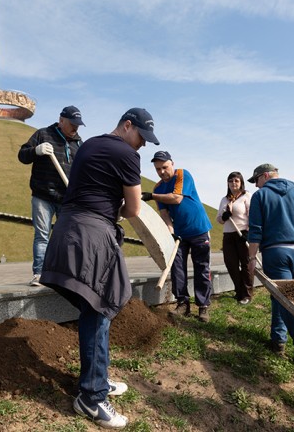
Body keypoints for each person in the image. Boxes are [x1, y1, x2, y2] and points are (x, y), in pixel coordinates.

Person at [40, 108, 159, 429]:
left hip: (66, 230)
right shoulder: (126, 154)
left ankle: (97, 379)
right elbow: (133, 208)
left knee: (95, 308)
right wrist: (116, 207)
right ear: (128, 125)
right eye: (142, 138)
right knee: (100, 308)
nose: (143, 146)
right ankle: (91, 398)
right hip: (93, 236)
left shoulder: (89, 144)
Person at [246, 163, 294, 369]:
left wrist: (251, 258)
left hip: (276, 252)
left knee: (287, 302)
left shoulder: (261, 196)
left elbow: (255, 230)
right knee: (280, 296)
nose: (256, 186)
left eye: (256, 181)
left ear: (264, 176)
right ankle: (278, 338)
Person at [143, 151, 213, 323]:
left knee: (201, 267)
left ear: (172, 164)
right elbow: (165, 213)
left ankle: (203, 306)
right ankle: (182, 303)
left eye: (164, 167)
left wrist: (151, 197)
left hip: (198, 229)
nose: (161, 172)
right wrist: (170, 231)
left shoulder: (182, 174)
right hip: (179, 234)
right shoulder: (158, 188)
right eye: (158, 169)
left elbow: (176, 198)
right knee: (177, 269)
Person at [18, 106, 84, 286]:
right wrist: (35, 151)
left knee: (67, 237)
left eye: (78, 124)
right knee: (42, 235)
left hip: (67, 198)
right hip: (43, 195)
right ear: (61, 120)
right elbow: (22, 156)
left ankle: (64, 274)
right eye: (72, 123)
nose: (75, 128)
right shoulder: (42, 135)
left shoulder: (79, 144)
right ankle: (39, 273)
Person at [215, 171, 252, 304]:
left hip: (243, 233)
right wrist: (224, 216)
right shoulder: (225, 200)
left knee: (246, 265)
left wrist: (248, 232)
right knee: (231, 265)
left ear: (241, 182)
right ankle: (239, 291)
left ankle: (247, 294)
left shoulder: (246, 196)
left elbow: (252, 216)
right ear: (227, 183)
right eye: (231, 181)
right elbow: (219, 219)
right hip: (228, 235)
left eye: (236, 181)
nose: (233, 183)